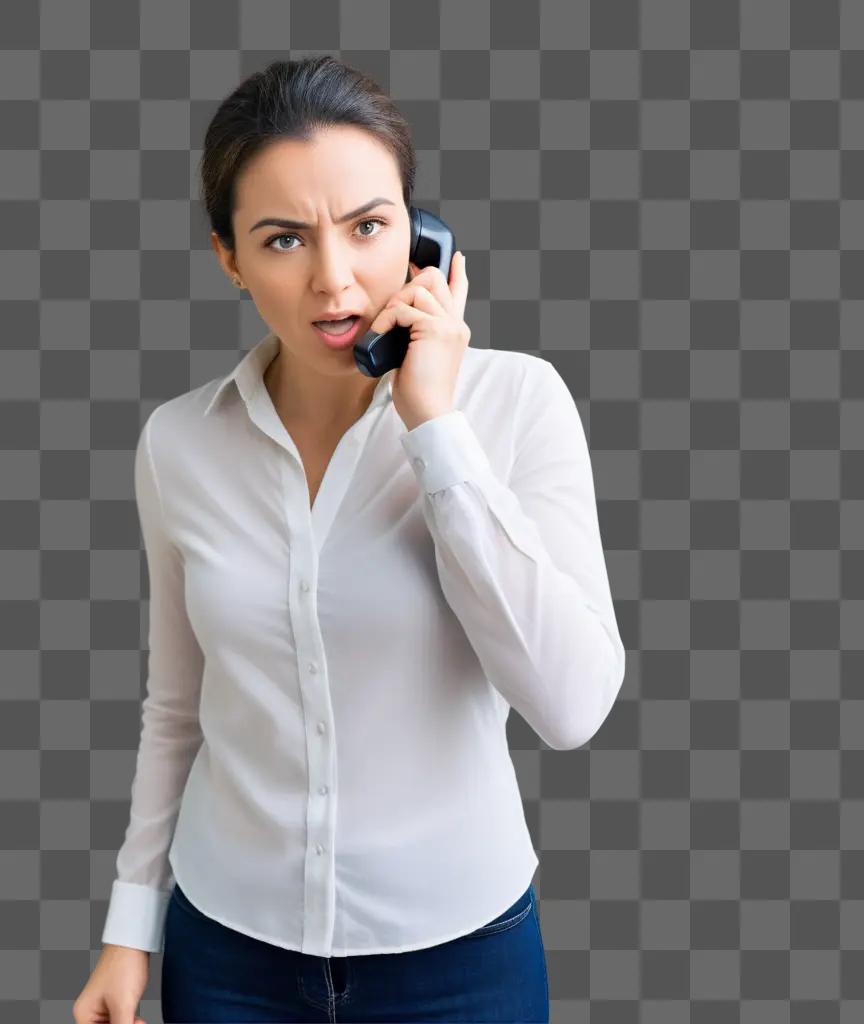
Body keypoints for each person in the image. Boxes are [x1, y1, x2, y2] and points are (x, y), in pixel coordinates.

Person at [74, 55, 625, 1024]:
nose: (333, 281)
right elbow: (178, 705)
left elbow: (572, 704)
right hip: (229, 952)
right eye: (283, 239)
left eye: (367, 226)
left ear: (420, 238)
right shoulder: (178, 443)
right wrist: (129, 927)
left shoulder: (517, 402)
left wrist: (435, 430)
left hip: (461, 957)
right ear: (228, 256)